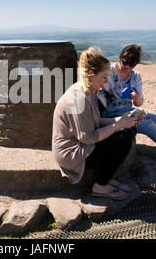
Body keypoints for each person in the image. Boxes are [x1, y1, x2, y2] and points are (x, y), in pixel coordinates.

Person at [52, 46, 143, 200]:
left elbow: (97, 120)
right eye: (104, 77)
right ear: (91, 74)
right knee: (121, 139)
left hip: (81, 143)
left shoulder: (88, 90)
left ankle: (107, 178)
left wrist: (122, 119)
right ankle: (101, 186)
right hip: (71, 154)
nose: (107, 81)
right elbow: (88, 137)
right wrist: (118, 125)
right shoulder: (78, 98)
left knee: (124, 134)